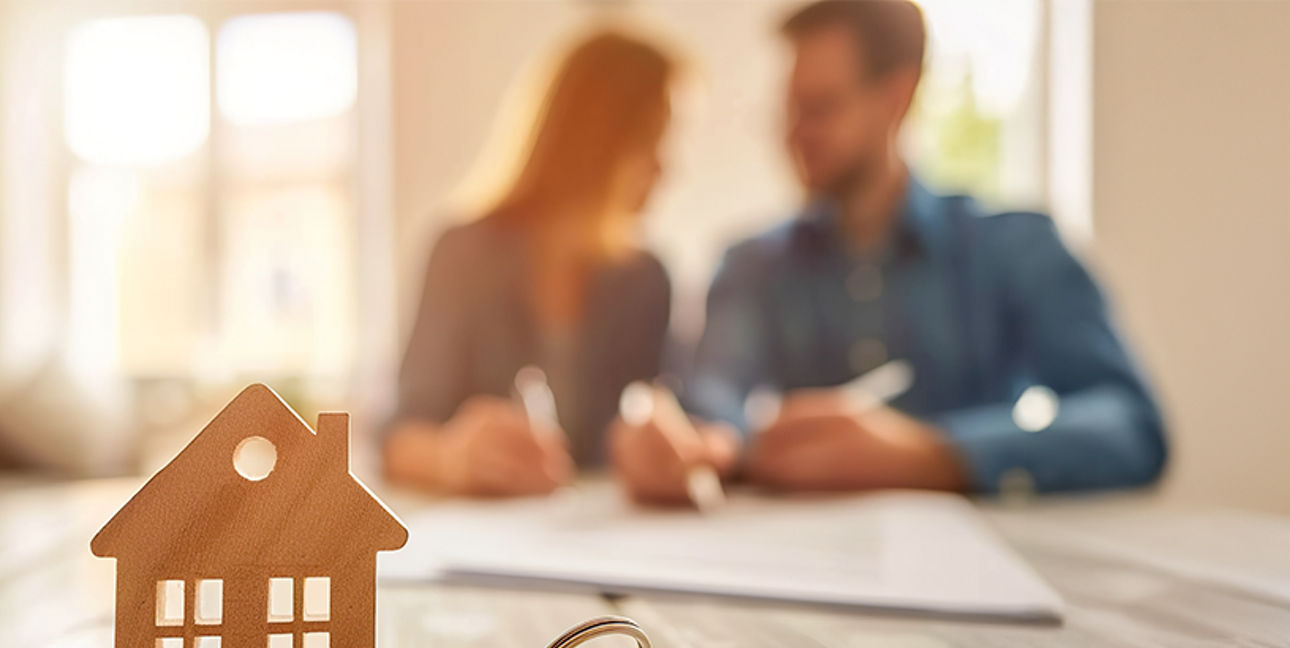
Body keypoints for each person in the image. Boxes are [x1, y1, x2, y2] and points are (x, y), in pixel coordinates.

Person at [612, 0, 1168, 503]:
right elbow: (714, 400)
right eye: (788, 110)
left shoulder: (1013, 247)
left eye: (820, 107)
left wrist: (933, 456)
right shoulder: (749, 265)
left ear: (896, 98)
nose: (793, 134)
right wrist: (688, 443)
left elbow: (1131, 425)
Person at [384, 31, 681, 496]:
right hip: (483, 534)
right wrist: (450, 455)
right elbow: (398, 431)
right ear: (596, 137)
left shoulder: (645, 279)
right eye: (652, 139)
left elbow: (662, 410)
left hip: (600, 541)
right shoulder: (462, 253)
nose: (666, 168)